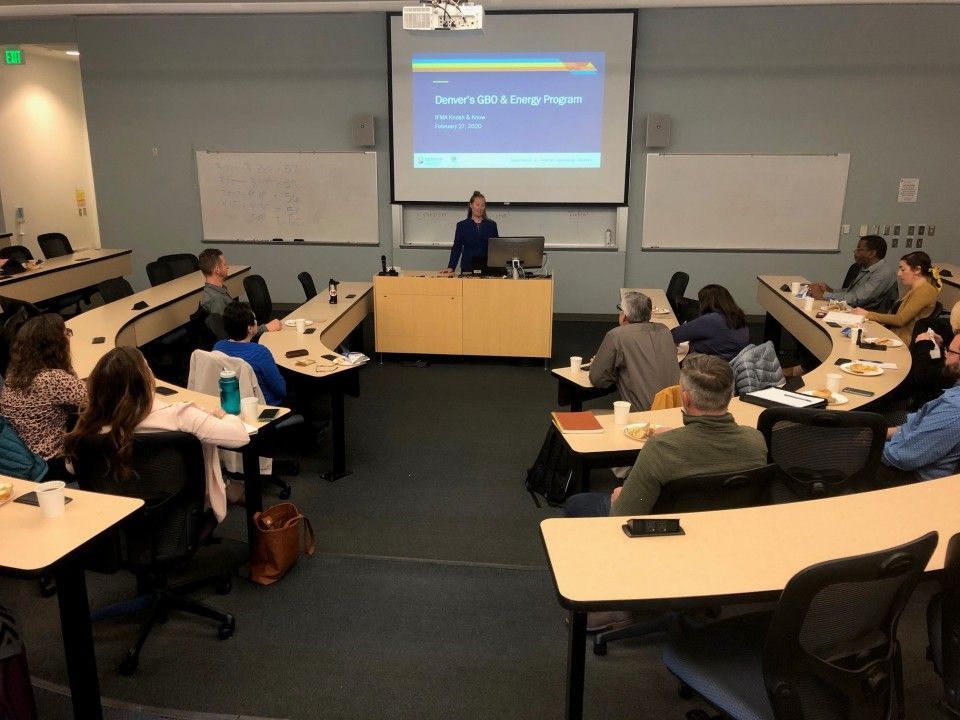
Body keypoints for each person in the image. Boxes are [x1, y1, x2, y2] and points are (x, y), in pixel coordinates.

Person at [565, 355, 768, 518]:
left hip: (667, 533)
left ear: (686, 399)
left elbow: (625, 514)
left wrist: (618, 498)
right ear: (730, 395)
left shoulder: (660, 449)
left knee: (577, 503)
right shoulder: (756, 442)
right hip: (725, 527)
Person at [64, 346, 249, 521]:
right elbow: (240, 436)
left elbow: (73, 469)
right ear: (146, 380)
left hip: (114, 520)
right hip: (176, 519)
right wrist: (224, 415)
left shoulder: (89, 427)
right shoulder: (180, 416)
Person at [0, 314, 87, 477]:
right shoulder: (52, 379)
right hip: (51, 465)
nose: (69, 337)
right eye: (66, 333)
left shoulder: (13, 375)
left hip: (26, 460)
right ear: (56, 345)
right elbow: (97, 400)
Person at [879, 332, 960, 485]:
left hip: (908, 480)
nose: (946, 356)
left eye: (950, 351)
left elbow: (903, 457)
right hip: (907, 457)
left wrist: (865, 444)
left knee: (834, 451)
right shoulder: (956, 390)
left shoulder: (954, 410)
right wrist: (879, 432)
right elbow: (918, 425)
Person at [588, 291, 680, 412]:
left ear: (624, 315)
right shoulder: (664, 330)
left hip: (642, 417)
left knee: (590, 413)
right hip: (674, 411)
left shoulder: (616, 336)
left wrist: (604, 365)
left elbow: (598, 379)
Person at [854, 250, 941, 344]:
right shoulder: (913, 288)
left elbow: (900, 320)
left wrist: (867, 314)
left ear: (917, 270)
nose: (899, 274)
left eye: (903, 270)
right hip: (893, 335)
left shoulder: (925, 290)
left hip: (903, 341)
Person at [213, 300, 286, 406]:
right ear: (250, 328)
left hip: (232, 403)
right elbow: (281, 391)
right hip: (264, 407)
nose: (257, 322)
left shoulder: (218, 347)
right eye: (255, 319)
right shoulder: (260, 353)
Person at [199, 248, 281, 337]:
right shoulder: (217, 300)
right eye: (224, 264)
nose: (227, 267)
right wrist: (265, 328)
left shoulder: (214, 291)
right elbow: (233, 335)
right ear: (217, 270)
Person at [808, 235, 897, 310]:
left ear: (872, 253)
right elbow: (851, 292)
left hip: (867, 315)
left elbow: (857, 299)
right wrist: (831, 290)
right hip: (852, 309)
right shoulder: (864, 267)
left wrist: (824, 295)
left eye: (859, 249)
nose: (855, 251)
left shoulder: (884, 272)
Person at [670, 284, 750, 361]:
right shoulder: (738, 316)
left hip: (708, 366)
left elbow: (673, 335)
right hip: (732, 365)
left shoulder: (712, 320)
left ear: (705, 303)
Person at [439, 191, 498, 275]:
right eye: (477, 204)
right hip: (468, 268)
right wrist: (451, 267)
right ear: (471, 205)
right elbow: (457, 248)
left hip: (487, 269)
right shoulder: (462, 225)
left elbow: (496, 249)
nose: (480, 208)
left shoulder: (492, 225)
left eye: (483, 205)